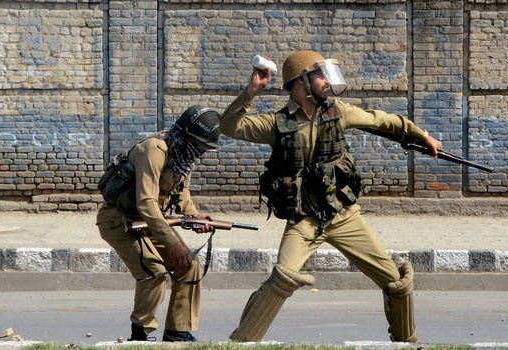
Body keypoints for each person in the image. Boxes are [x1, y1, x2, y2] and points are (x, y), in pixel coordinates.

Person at [220, 50, 443, 343]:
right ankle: (241, 343)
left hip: (343, 216)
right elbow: (228, 126)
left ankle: (407, 343)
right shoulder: (277, 123)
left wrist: (422, 135)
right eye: (320, 76)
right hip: (305, 221)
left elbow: (384, 121)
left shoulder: (339, 112)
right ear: (301, 82)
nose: (327, 82)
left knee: (397, 283)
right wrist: (251, 91)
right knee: (281, 279)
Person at [96, 105, 221, 342]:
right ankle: (139, 335)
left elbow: (181, 191)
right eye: (199, 145)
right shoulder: (155, 150)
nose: (201, 152)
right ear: (185, 135)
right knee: (154, 271)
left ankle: (177, 331)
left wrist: (194, 217)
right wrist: (173, 243)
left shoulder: (183, 154)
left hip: (148, 223)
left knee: (189, 264)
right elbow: (146, 203)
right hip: (118, 220)